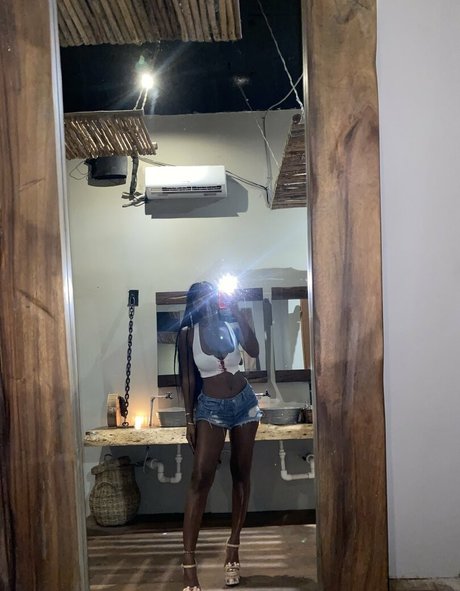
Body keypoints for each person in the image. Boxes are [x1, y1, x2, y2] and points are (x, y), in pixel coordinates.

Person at [177, 281, 262, 591]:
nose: (208, 302)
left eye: (211, 296)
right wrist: (189, 419)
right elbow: (188, 378)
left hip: (245, 404)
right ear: (194, 303)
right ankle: (188, 563)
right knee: (200, 478)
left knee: (241, 473)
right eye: (201, 299)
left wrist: (238, 312)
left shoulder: (231, 323)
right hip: (210, 408)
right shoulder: (188, 334)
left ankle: (233, 549)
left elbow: (254, 350)